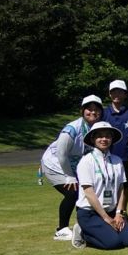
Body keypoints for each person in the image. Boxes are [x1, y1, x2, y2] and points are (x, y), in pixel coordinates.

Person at [42, 94, 102, 241]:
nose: (93, 112)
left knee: (86, 192)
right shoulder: (72, 129)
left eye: (96, 109)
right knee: (72, 193)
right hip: (55, 164)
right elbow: (61, 154)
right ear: (82, 110)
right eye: (89, 109)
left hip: (74, 165)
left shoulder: (97, 128)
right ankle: (61, 229)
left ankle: (85, 225)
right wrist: (69, 176)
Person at [73, 122, 128, 250]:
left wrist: (119, 213)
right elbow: (89, 193)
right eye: (100, 136)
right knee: (113, 243)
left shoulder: (117, 160)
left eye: (107, 136)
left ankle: (104, 230)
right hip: (90, 212)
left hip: (111, 211)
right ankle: (83, 232)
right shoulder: (86, 161)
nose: (104, 139)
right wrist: (106, 218)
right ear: (93, 139)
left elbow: (121, 189)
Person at [103, 80, 128, 219]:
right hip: (107, 156)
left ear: (125, 94)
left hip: (125, 156)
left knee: (124, 185)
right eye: (113, 92)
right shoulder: (104, 113)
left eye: (119, 91)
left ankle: (122, 211)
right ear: (110, 94)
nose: (116, 94)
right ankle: (108, 211)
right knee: (107, 184)